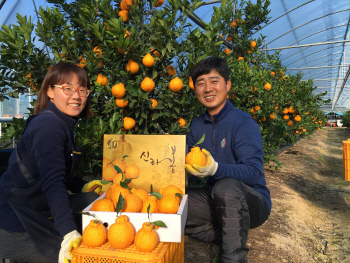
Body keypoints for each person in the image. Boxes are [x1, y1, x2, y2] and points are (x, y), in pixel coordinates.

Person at [0, 62, 102, 263]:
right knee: (71, 256)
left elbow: (58, 171)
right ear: (50, 91)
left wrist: (83, 185)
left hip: (37, 207)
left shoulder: (62, 123)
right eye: (68, 88)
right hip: (15, 221)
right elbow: (52, 182)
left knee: (94, 200)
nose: (76, 95)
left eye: (82, 90)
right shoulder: (49, 125)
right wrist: (68, 232)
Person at [185, 57, 271, 263]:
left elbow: (253, 171)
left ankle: (233, 258)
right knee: (174, 205)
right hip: (215, 199)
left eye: (214, 81)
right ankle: (226, 232)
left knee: (226, 186)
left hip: (252, 202)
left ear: (227, 85)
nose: (207, 88)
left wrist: (215, 169)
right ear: (195, 89)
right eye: (201, 83)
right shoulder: (197, 126)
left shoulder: (243, 123)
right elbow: (185, 157)